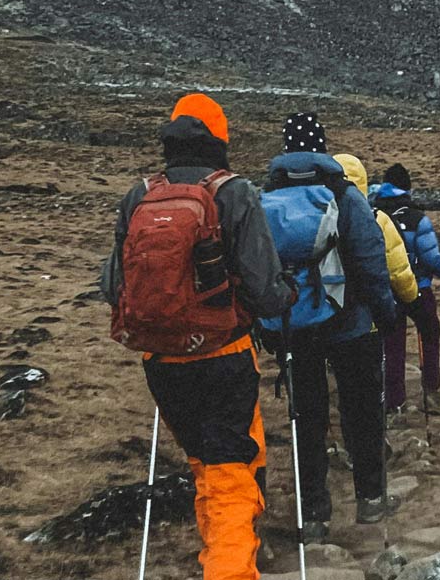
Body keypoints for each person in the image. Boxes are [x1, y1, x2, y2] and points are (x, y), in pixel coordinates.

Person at [102, 93, 296, 580]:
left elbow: (111, 286)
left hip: (161, 361)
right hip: (224, 355)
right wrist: (286, 293)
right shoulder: (235, 192)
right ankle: (229, 570)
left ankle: (219, 560)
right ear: (220, 139)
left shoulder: (139, 195)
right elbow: (266, 292)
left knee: (204, 467)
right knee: (231, 473)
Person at [262, 113, 398, 541]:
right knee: (361, 411)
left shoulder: (267, 195)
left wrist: (266, 324)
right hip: (349, 321)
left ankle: (314, 515)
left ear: (287, 147)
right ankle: (371, 499)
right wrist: (385, 313)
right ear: (322, 147)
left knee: (306, 418)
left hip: (295, 325)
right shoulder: (345, 194)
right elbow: (371, 258)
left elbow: (256, 265)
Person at [332, 156, 420, 419]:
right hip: (366, 319)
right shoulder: (377, 219)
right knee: (366, 385)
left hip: (325, 317)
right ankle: (377, 422)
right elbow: (397, 268)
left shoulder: (316, 216)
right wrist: (410, 297)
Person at [375, 164, 440, 416]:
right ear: (407, 188)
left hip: (387, 292)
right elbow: (431, 257)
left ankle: (394, 402)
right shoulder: (417, 218)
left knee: (392, 346)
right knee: (429, 334)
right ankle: (431, 393)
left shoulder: (375, 215)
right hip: (419, 288)